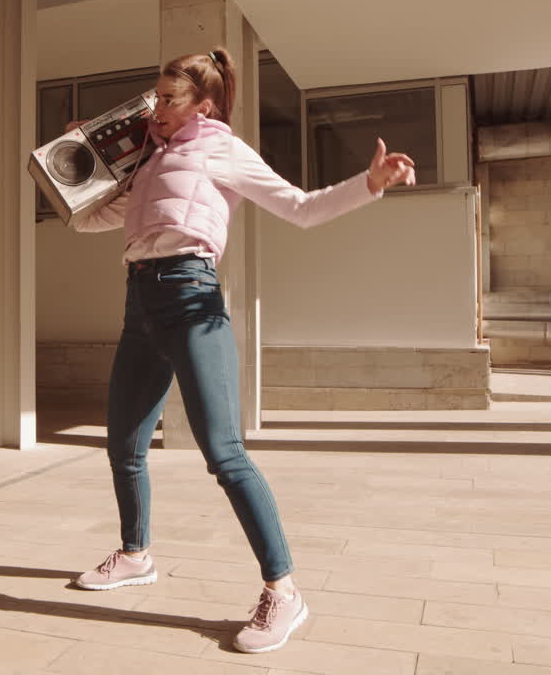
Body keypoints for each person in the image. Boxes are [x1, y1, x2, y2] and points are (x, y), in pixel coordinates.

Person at [66, 47, 416, 654]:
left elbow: (300, 209)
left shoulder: (222, 148)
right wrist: (87, 163)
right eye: (155, 97)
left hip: (191, 297)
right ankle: (135, 554)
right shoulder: (148, 162)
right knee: (123, 443)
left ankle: (283, 591)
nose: (156, 108)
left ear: (203, 104)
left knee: (224, 454)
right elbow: (86, 222)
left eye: (168, 99)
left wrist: (370, 184)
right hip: (139, 304)